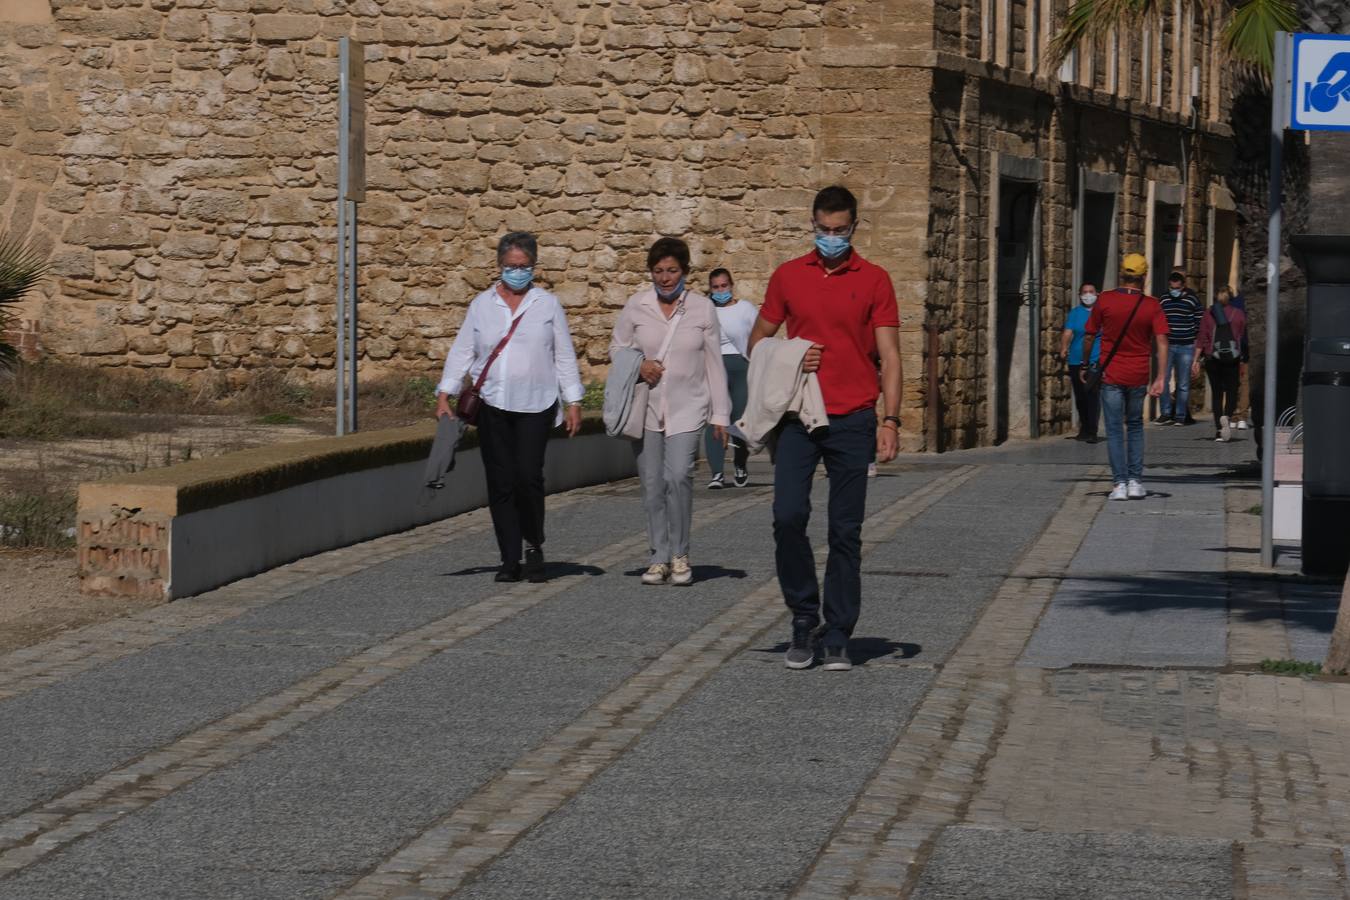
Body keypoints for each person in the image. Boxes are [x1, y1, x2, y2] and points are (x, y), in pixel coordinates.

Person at [747, 185, 903, 672]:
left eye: (839, 231)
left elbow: (892, 356)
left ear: (854, 228)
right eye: (822, 230)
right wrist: (792, 354)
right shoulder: (789, 276)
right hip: (799, 416)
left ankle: (837, 631)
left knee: (845, 531)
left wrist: (891, 419)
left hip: (854, 417)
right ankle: (802, 616)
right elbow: (757, 344)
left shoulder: (875, 280)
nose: (830, 238)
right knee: (787, 516)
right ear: (812, 225)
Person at [436, 232, 584, 583]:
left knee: (527, 476)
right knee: (500, 481)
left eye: (524, 266)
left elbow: (563, 354)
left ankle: (533, 543)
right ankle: (509, 557)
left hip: (536, 403)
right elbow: (462, 351)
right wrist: (446, 392)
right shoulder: (482, 304)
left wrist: (573, 399)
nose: (517, 272)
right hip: (493, 403)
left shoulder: (546, 304)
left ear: (533, 267)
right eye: (511, 266)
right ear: (499, 266)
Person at [610, 237, 729, 587]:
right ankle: (658, 556)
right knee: (651, 484)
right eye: (659, 271)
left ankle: (680, 554)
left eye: (672, 270)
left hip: (688, 406)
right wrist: (640, 364)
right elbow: (617, 347)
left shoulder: (702, 309)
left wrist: (720, 414)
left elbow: (714, 364)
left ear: (685, 271)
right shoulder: (637, 306)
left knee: (678, 475)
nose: (665, 278)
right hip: (646, 408)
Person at [1082, 253, 1168, 501]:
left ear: (1122, 274)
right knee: (1136, 427)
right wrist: (1161, 377)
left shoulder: (1105, 300)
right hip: (1139, 375)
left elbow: (1089, 335)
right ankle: (1135, 481)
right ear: (1144, 277)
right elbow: (1162, 341)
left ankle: (1119, 484)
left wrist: (1087, 363)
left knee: (1114, 429)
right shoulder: (1152, 305)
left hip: (1111, 375)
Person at [705, 268, 757, 489]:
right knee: (714, 418)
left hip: (740, 366)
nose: (720, 291)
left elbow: (758, 335)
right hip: (714, 367)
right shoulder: (705, 310)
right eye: (715, 287)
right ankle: (716, 472)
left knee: (739, 419)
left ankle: (740, 464)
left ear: (731, 285)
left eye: (723, 286)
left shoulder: (745, 309)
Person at [1193, 286, 1248, 442]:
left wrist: (1195, 359)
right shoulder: (1238, 314)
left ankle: (1218, 429)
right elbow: (1242, 336)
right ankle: (1227, 417)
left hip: (1212, 357)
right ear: (1230, 297)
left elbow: (1202, 337)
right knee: (1231, 391)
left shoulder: (1208, 314)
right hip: (1233, 357)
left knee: (1217, 394)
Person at [1057, 282, 1102, 442]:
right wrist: (1063, 347)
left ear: (1097, 294)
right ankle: (1084, 428)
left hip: (1095, 359)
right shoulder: (1075, 313)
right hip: (1075, 359)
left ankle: (1092, 431)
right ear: (1079, 295)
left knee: (1092, 394)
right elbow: (1068, 332)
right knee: (1080, 396)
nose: (1088, 295)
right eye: (1085, 292)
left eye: (1091, 291)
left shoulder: (1101, 312)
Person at [1156, 270, 1202, 425]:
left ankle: (1180, 416)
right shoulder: (1163, 299)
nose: (1174, 291)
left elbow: (1199, 322)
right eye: (1171, 288)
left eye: (1177, 288)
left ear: (1183, 286)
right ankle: (1165, 412)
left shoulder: (1192, 300)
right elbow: (1158, 319)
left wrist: (1195, 343)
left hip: (1186, 346)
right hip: (1167, 346)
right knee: (1164, 379)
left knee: (1183, 383)